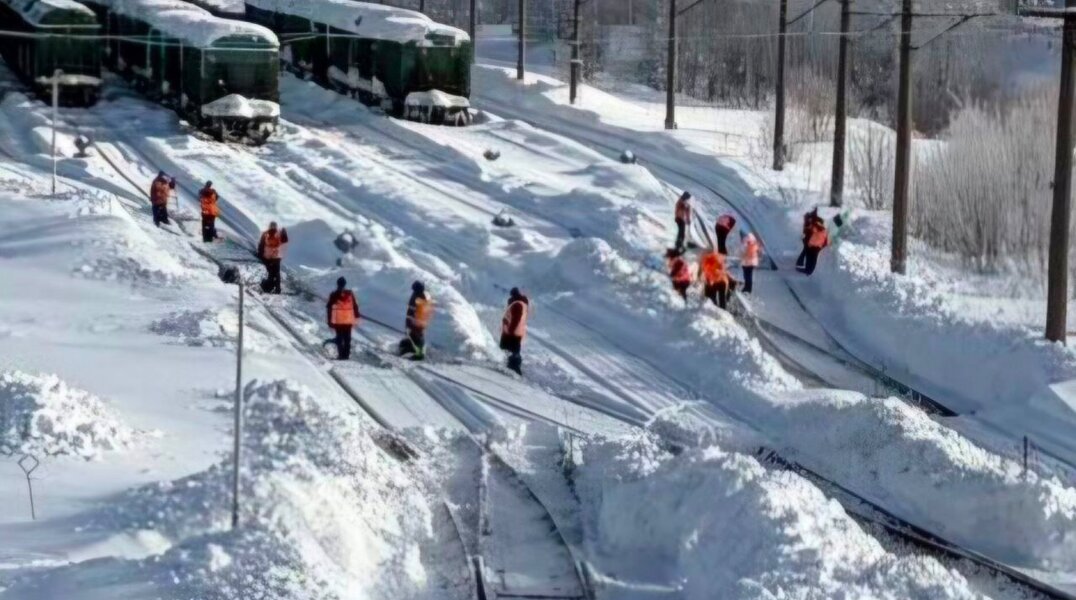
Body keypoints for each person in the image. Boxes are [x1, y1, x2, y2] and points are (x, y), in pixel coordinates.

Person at [326, 277, 361, 360]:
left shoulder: (334, 294)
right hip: (348, 320)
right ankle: (346, 356)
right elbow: (355, 305)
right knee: (347, 339)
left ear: (337, 284)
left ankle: (341, 355)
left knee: (340, 339)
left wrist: (329, 321)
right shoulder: (350, 293)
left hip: (339, 321)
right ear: (345, 284)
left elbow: (329, 308)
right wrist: (356, 315)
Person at [400, 281, 433, 360]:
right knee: (413, 335)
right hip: (415, 321)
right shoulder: (418, 295)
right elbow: (411, 311)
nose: (414, 291)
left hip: (418, 322)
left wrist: (412, 323)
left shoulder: (421, 298)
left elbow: (417, 313)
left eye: (415, 290)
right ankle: (410, 346)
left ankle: (419, 354)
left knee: (417, 335)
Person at [500, 287, 529, 375]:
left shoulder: (517, 304)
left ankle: (513, 368)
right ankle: (512, 366)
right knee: (514, 349)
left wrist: (510, 330)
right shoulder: (522, 303)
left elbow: (515, 319)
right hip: (517, 331)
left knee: (511, 349)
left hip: (512, 331)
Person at [257, 222, 289, 294]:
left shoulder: (265, 234)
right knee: (276, 273)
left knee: (272, 273)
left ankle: (269, 287)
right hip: (275, 257)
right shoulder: (277, 234)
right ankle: (276, 289)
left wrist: (260, 255)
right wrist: (284, 232)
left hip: (267, 257)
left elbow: (261, 245)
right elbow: (284, 241)